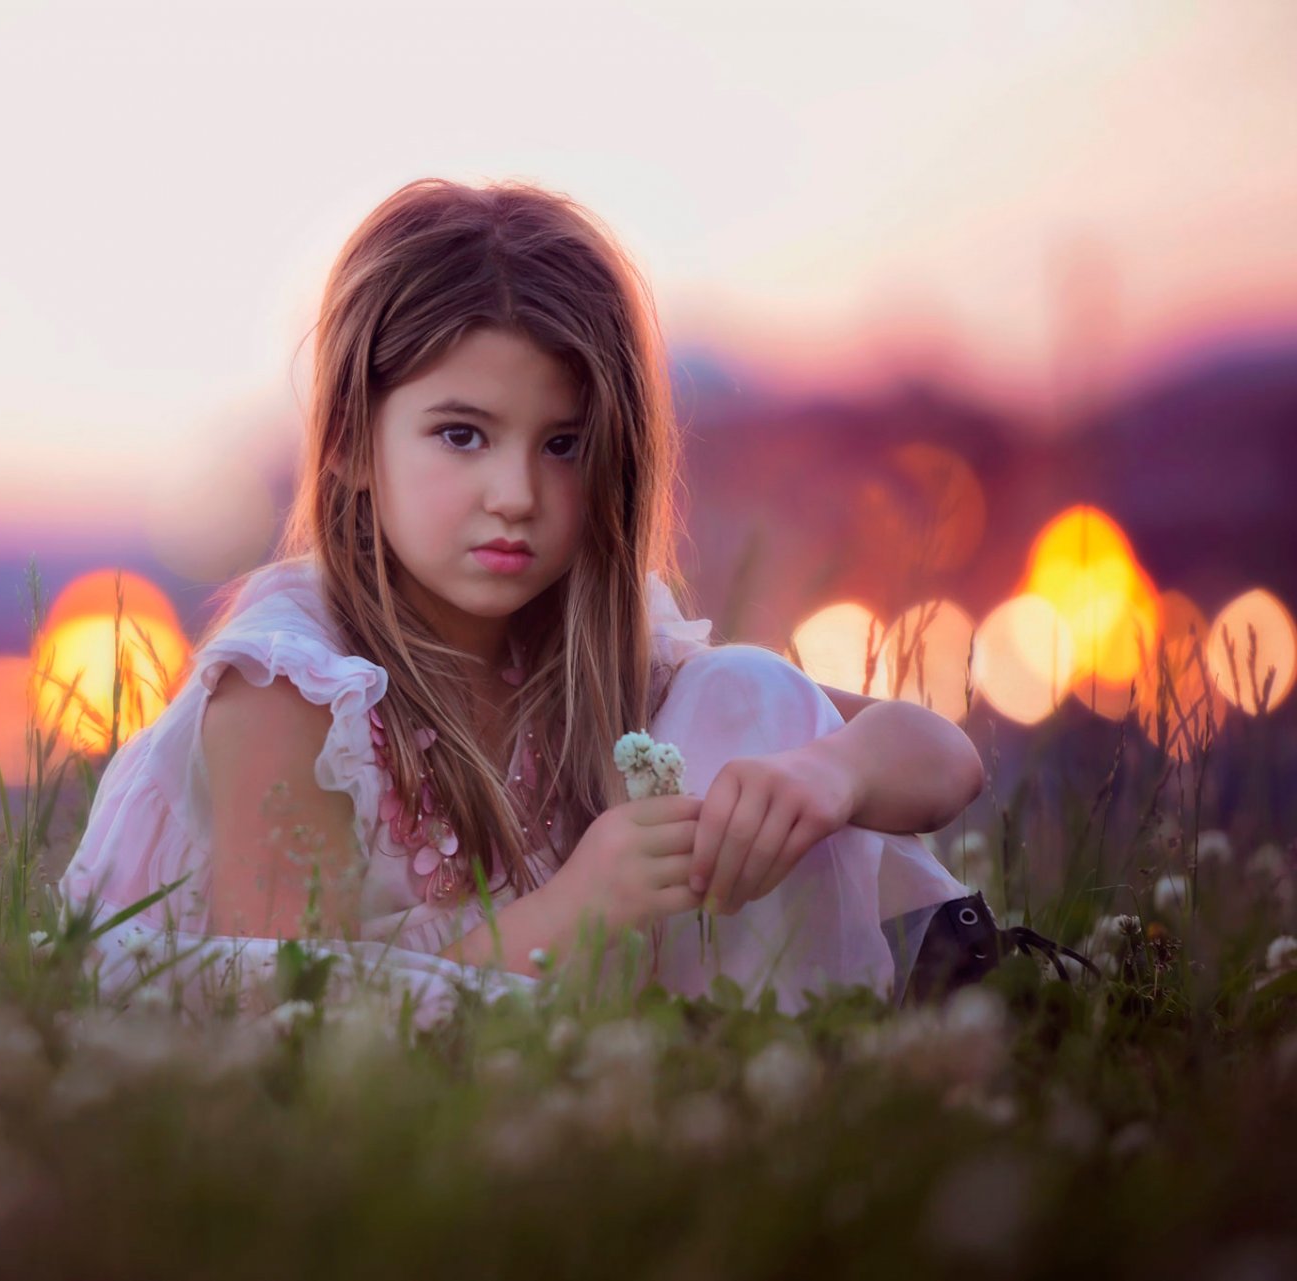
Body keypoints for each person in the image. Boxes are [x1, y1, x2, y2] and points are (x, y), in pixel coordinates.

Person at [56, 177, 981, 1026]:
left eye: (564, 445)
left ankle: (792, 1062)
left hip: (580, 1052)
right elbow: (291, 1018)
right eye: (463, 435)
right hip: (384, 1107)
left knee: (751, 690)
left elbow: (945, 761)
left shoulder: (595, 650)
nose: (517, 495)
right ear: (349, 444)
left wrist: (829, 774)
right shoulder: (293, 688)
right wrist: (576, 906)